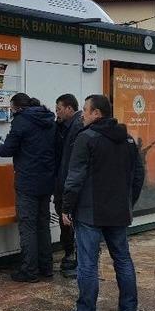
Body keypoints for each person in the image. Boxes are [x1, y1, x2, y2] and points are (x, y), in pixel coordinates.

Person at [60, 94, 144, 311]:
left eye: (86, 110)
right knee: (123, 259)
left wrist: (66, 207)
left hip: (90, 213)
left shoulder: (86, 138)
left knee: (87, 263)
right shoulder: (127, 139)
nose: (82, 115)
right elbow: (138, 175)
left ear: (96, 113)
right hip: (118, 212)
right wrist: (128, 202)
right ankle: (129, 308)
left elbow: (74, 177)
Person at [0, 93, 56, 283]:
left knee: (28, 226)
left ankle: (29, 270)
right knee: (43, 224)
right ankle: (46, 267)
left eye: (11, 109)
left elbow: (7, 150)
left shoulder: (21, 121)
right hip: (47, 180)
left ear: (17, 107)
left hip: (27, 181)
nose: (11, 112)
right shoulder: (49, 119)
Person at [53, 93, 84, 278]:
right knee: (66, 222)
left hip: (70, 184)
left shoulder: (78, 127)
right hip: (63, 183)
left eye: (59, 109)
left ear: (69, 108)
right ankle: (70, 255)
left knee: (72, 222)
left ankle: (76, 259)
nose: (56, 112)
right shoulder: (64, 127)